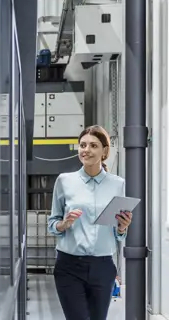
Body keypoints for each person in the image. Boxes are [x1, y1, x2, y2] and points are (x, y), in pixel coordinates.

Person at [47, 125, 133, 320]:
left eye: (93, 145)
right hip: (69, 266)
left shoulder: (118, 184)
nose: (86, 150)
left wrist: (123, 227)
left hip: (103, 267)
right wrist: (64, 224)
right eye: (82, 145)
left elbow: (118, 234)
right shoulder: (64, 181)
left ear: (104, 151)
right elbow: (52, 223)